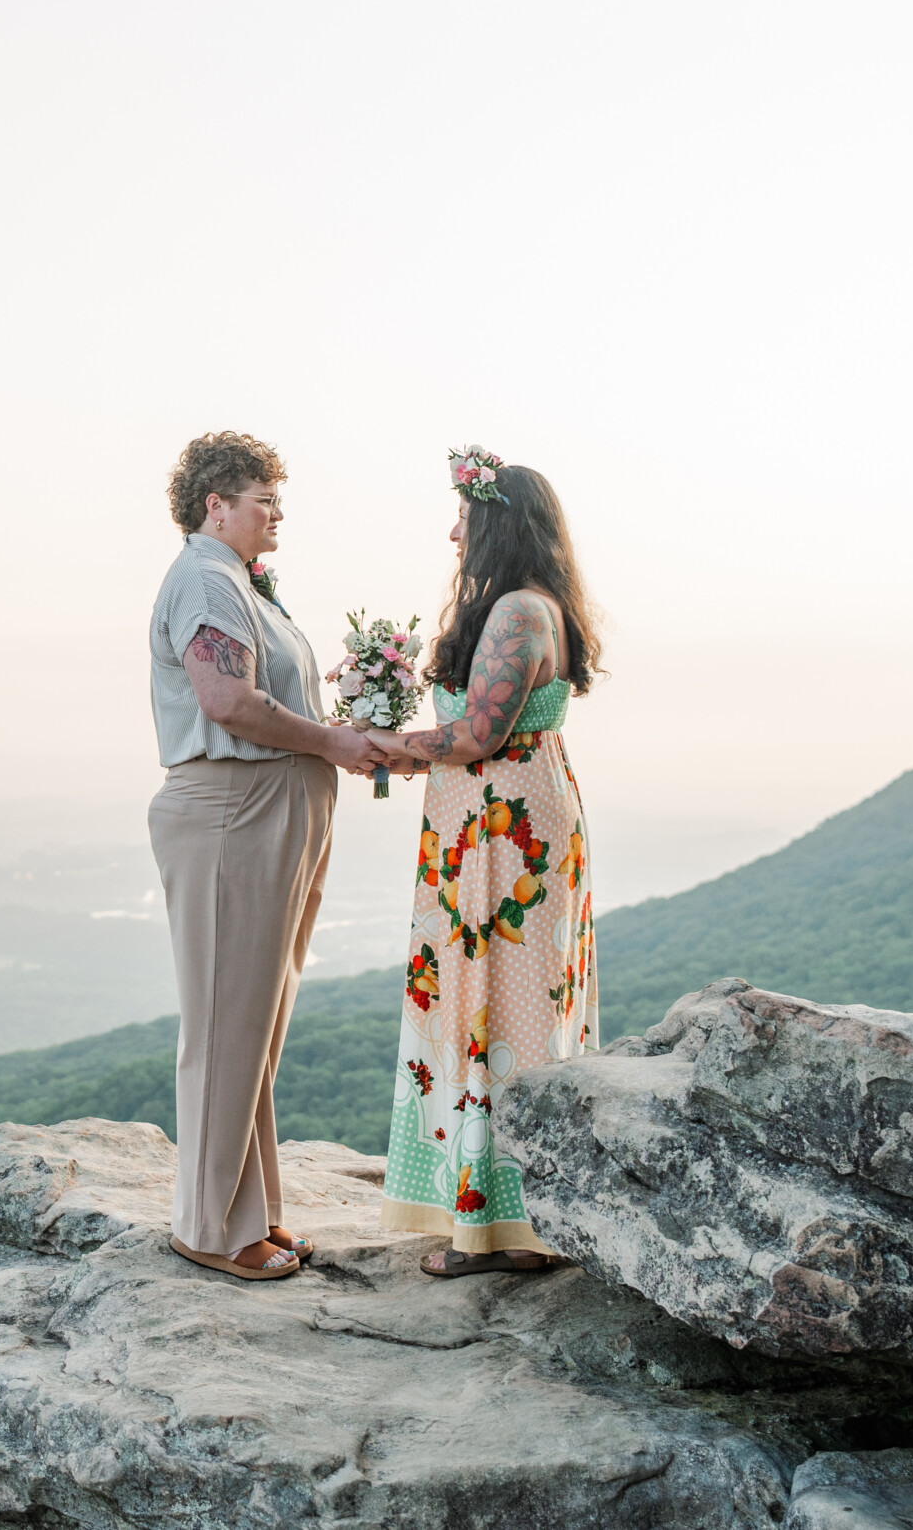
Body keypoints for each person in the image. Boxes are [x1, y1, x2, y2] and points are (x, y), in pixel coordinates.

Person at [364, 445, 604, 1278]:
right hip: (497, 819)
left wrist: (378, 745)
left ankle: (500, 1229)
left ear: (498, 523)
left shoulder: (518, 614)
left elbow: (477, 735)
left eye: (464, 516)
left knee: (500, 1003)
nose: (453, 531)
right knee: (504, 997)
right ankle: (510, 1213)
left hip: (503, 834)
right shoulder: (529, 606)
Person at [147, 431, 381, 1281]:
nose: (277, 512)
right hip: (232, 811)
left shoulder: (241, 583)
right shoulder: (208, 577)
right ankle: (209, 1227)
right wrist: (331, 740)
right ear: (217, 504)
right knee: (225, 1021)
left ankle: (253, 1211)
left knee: (256, 1022)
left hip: (271, 809)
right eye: (263, 499)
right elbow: (227, 700)